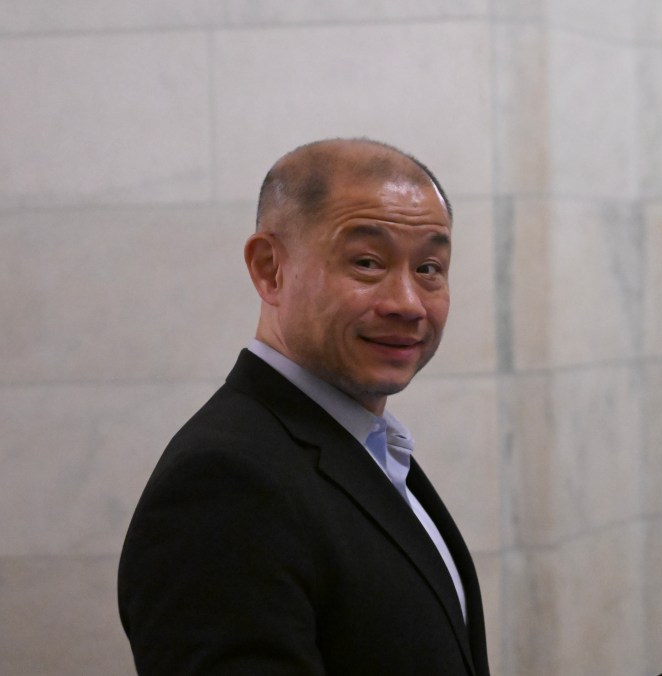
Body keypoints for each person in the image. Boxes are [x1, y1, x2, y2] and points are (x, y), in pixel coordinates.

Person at [118, 138, 490, 675]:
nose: (408, 304)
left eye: (430, 268)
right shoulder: (224, 484)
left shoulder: (370, 447)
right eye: (367, 262)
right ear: (270, 269)